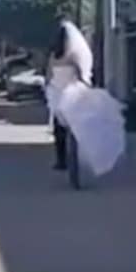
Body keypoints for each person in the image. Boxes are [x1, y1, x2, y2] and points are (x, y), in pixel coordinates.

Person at [46, 16, 94, 170]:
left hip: (58, 93)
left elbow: (48, 75)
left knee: (58, 127)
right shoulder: (74, 55)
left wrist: (48, 88)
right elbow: (81, 73)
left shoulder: (54, 55)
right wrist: (86, 83)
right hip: (73, 92)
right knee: (81, 122)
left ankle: (61, 161)